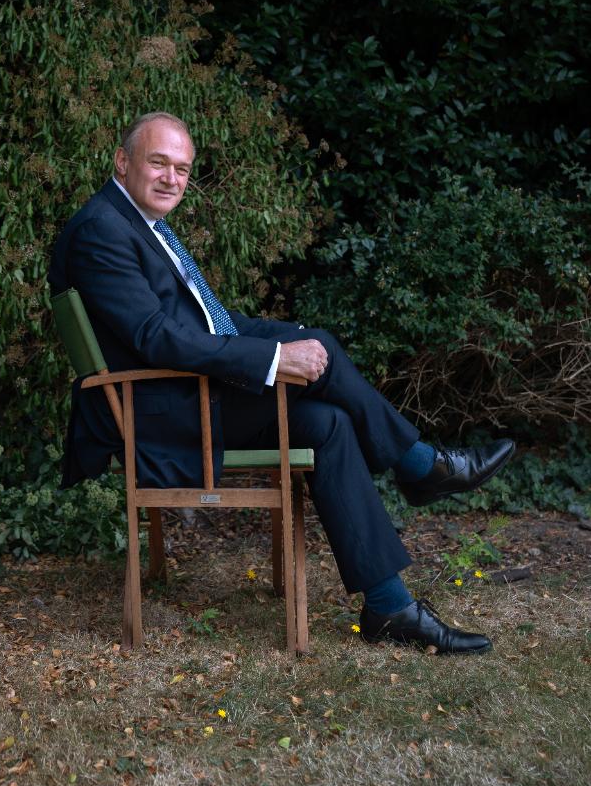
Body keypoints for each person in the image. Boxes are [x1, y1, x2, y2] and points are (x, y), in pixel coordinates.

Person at [48, 111, 515, 654]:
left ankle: (389, 606)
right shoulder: (101, 230)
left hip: (181, 394)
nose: (173, 178)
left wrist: (287, 339)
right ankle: (421, 466)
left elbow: (205, 323)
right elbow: (155, 338)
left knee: (329, 417)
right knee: (323, 368)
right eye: (159, 163)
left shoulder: (136, 225)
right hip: (162, 411)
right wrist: (272, 357)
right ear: (122, 162)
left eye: (182, 168)